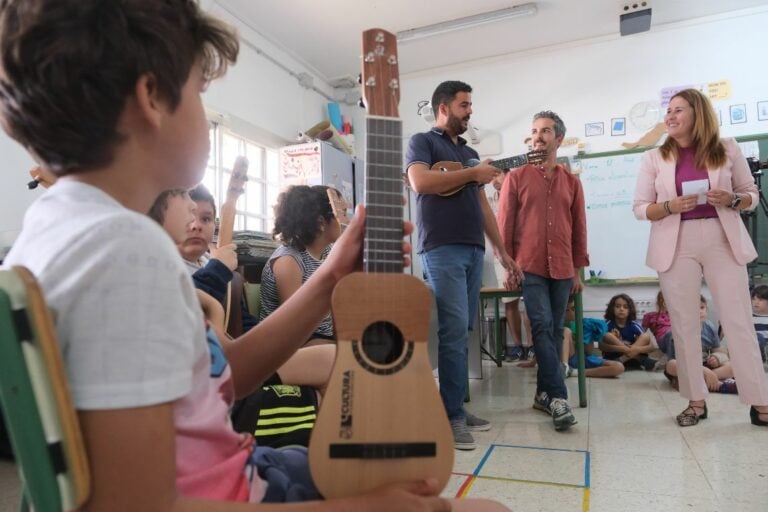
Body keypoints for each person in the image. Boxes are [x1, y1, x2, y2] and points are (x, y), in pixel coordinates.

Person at [0, 2, 509, 510]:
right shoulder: (124, 254)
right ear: (151, 97)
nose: (204, 107)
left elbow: (228, 375)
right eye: (201, 92)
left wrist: (330, 276)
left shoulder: (63, 233)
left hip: (232, 468)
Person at [633, 87, 768, 427]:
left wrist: (732, 199)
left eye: (679, 110)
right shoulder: (654, 158)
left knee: (739, 321)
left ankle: (760, 402)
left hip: (722, 237)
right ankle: (695, 401)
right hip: (676, 242)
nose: (670, 116)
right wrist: (669, 206)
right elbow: (640, 208)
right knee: (685, 325)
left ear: (697, 113)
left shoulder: (727, 149)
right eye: (669, 111)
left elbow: (750, 194)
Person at [405, 80, 522, 451]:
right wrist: (473, 174)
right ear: (444, 107)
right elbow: (419, 182)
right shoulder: (422, 142)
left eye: (470, 104)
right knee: (454, 330)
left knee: (465, 330)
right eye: (463, 105)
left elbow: (484, 206)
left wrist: (502, 252)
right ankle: (451, 414)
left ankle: (454, 407)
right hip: (440, 248)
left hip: (473, 250)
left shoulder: (470, 152)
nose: (470, 111)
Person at [497, 110, 587, 432]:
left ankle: (542, 395)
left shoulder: (572, 183)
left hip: (562, 266)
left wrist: (577, 270)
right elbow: (503, 226)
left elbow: (579, 229)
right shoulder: (516, 177)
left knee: (553, 329)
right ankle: (559, 398)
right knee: (541, 324)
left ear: (558, 138)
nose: (538, 136)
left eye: (546, 131)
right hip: (529, 265)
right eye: (534, 131)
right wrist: (508, 264)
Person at [260, 185, 341, 344]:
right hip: (289, 344)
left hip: (320, 339)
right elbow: (294, 327)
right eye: (342, 214)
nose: (347, 220)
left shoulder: (329, 253)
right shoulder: (288, 261)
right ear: (321, 222)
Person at [180, 184, 258, 332]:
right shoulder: (164, 264)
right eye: (188, 217)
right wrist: (218, 267)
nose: (196, 226)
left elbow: (239, 319)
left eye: (206, 219)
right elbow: (179, 308)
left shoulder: (211, 261)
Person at [485, 171, 528, 362]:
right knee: (509, 302)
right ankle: (518, 347)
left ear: (508, 175)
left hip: (523, 255)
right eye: (491, 176)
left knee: (529, 303)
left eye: (497, 175)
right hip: (501, 257)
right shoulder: (490, 200)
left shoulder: (520, 193)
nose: (494, 180)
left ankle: (534, 347)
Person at [664, 296, 737, 394]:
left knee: (732, 366)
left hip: (706, 365)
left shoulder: (710, 327)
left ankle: (703, 381)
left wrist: (716, 358)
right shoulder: (676, 332)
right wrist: (704, 371)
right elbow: (675, 361)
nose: (700, 311)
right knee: (671, 365)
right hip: (685, 369)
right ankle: (717, 384)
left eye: (702, 308)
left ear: (706, 309)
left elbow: (718, 351)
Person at [561, 299, 624, 379]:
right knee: (566, 331)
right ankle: (564, 367)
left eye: (573, 309)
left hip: (585, 358)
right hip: (569, 358)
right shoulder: (559, 324)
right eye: (567, 310)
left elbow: (589, 351)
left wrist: (589, 335)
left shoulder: (584, 323)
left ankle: (573, 372)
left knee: (618, 367)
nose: (571, 312)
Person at [599, 293, 657, 370]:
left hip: (627, 360)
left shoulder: (634, 324)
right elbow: (601, 346)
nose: (621, 309)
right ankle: (641, 359)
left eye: (625, 307)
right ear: (612, 309)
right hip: (613, 357)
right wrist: (623, 349)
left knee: (645, 336)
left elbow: (652, 347)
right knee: (608, 336)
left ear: (630, 310)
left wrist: (635, 350)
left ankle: (623, 359)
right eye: (617, 306)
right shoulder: (606, 324)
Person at [642, 290, 673, 366]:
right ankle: (669, 359)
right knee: (672, 333)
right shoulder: (650, 316)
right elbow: (641, 332)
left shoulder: (676, 315)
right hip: (663, 339)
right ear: (659, 301)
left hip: (677, 339)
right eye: (663, 299)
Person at [751, 284, 768, 362]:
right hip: (752, 347)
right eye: (754, 299)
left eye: (760, 300)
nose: (756, 302)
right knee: (757, 337)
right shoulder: (749, 317)